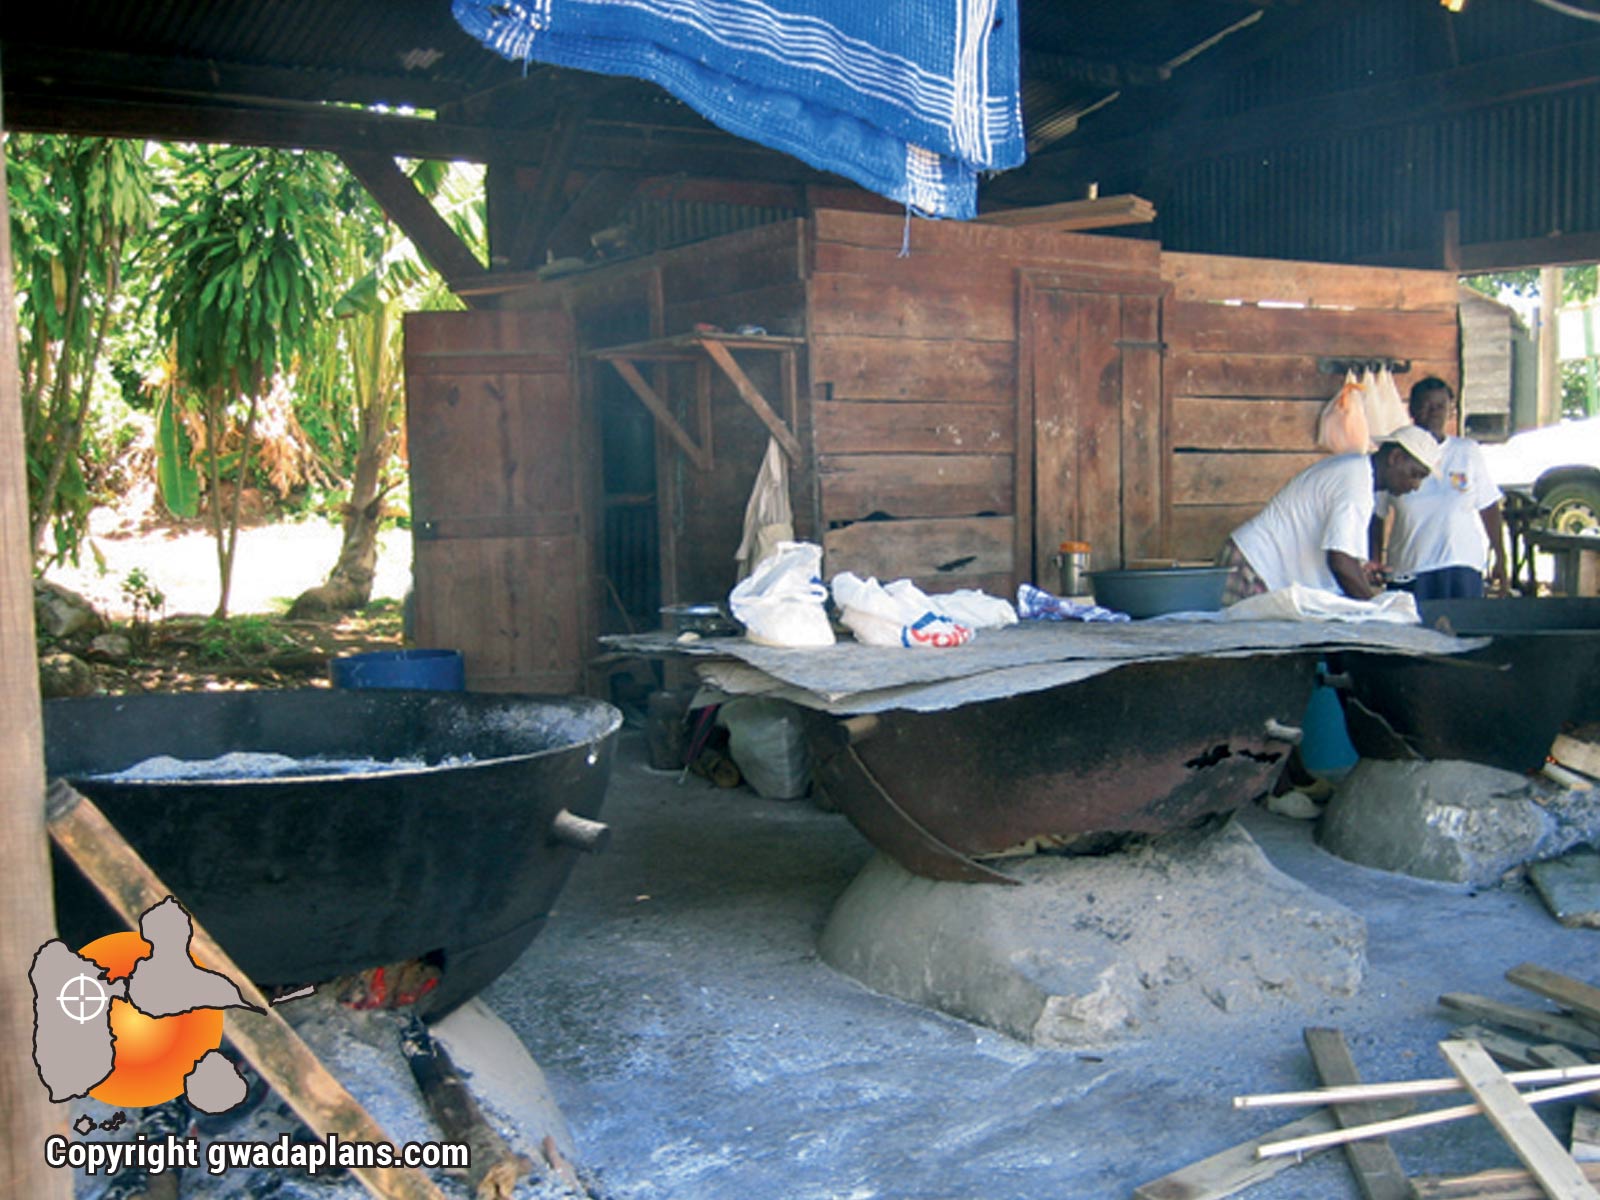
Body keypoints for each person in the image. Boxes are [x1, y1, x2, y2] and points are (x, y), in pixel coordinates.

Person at [1217, 425, 1441, 604]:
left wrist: (1360, 571)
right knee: (1238, 646)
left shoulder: (1356, 472)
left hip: (1260, 569)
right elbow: (1340, 563)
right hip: (1252, 567)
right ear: (1396, 458)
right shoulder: (1356, 484)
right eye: (1415, 474)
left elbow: (1343, 558)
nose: (1416, 486)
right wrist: (1375, 610)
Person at [1371, 377, 1507, 600]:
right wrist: (1374, 559)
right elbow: (1377, 515)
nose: (1433, 413)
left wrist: (1500, 556)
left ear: (1451, 411)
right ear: (1412, 410)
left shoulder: (1467, 451)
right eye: (1426, 406)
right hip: (1411, 568)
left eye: (1440, 406)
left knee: (1464, 622)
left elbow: (1488, 505)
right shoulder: (1396, 458)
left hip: (1461, 566)